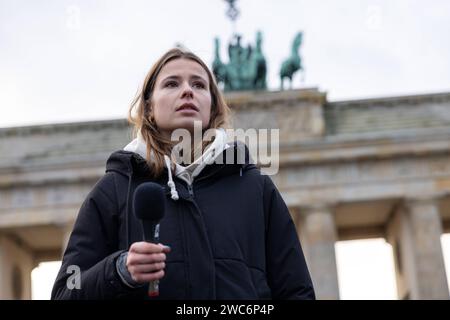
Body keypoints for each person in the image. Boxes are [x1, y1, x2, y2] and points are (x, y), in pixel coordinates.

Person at [51, 48, 315, 300]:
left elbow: (297, 291)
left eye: (199, 85)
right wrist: (119, 270)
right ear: (149, 108)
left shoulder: (257, 188)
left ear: (212, 108)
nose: (188, 90)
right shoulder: (113, 189)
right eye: (171, 84)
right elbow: (67, 290)